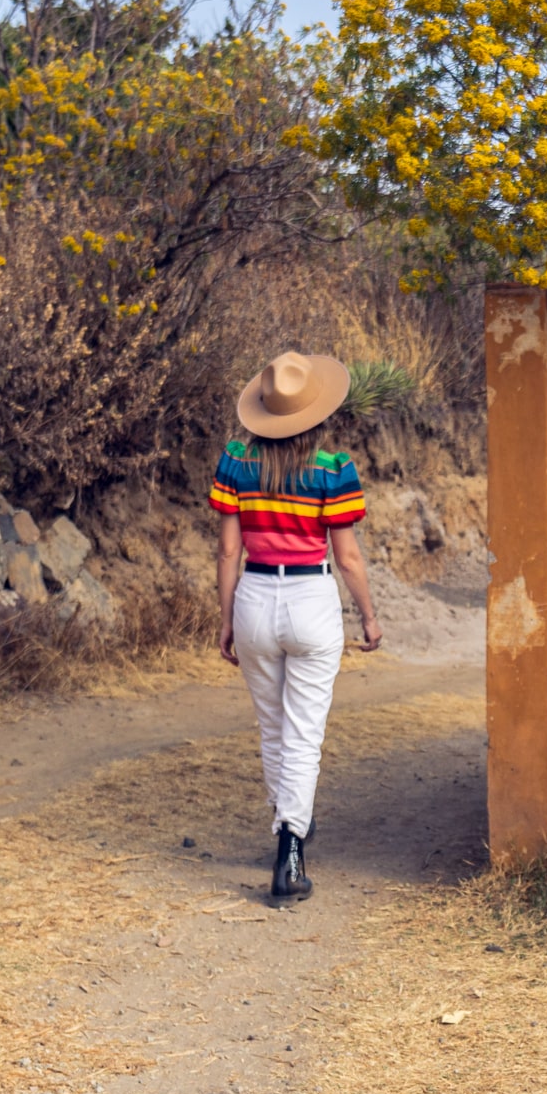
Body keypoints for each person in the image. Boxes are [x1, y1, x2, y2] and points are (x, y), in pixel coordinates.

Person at [210, 351, 383, 903]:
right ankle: (291, 849)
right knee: (304, 732)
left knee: (273, 729)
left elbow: (227, 550)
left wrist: (227, 617)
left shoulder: (237, 460)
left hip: (255, 595)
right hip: (311, 597)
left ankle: (287, 823)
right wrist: (369, 615)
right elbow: (348, 557)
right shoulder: (334, 468)